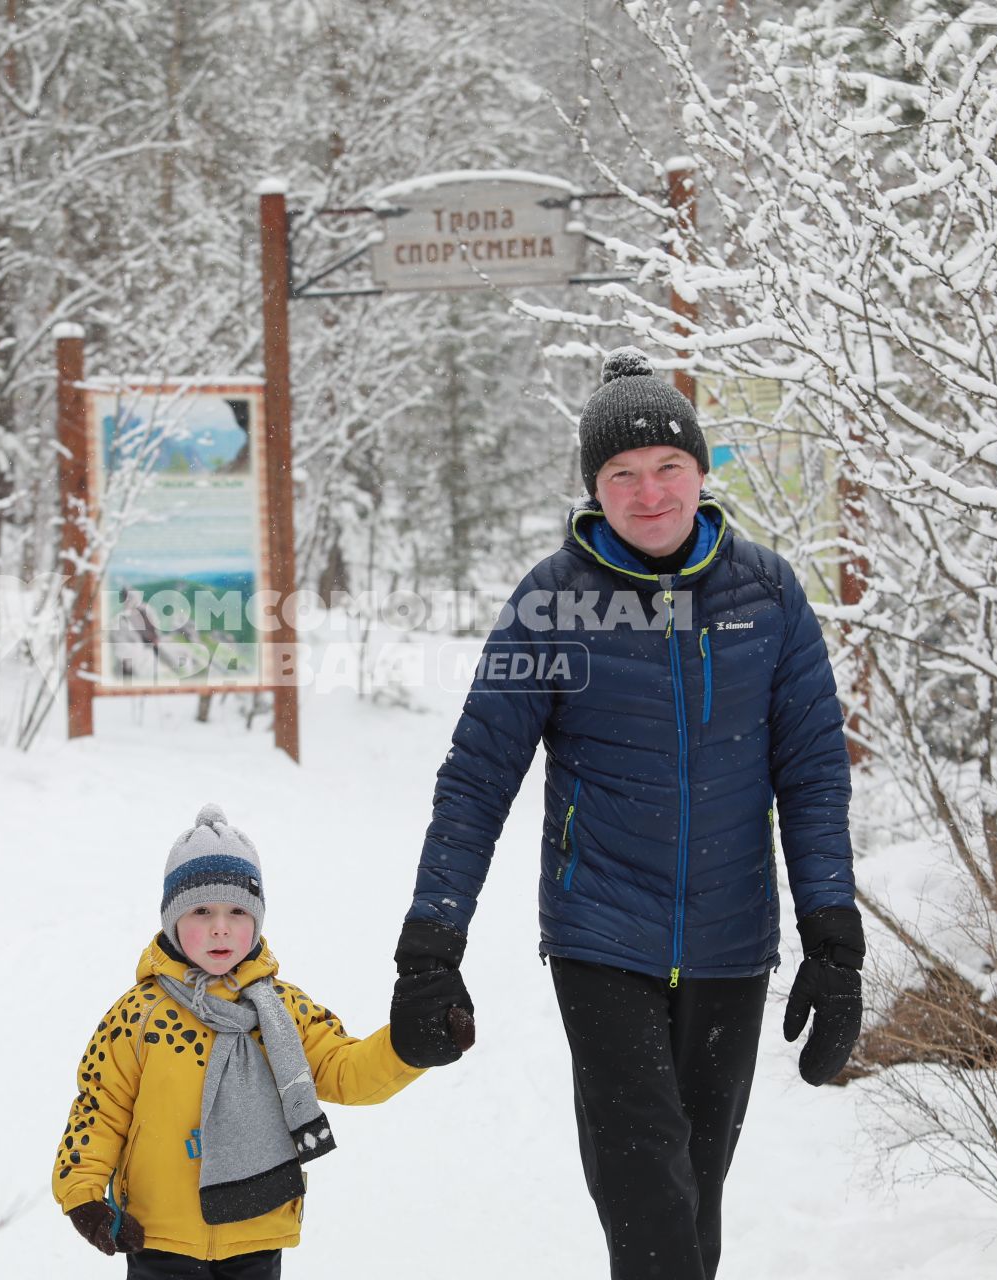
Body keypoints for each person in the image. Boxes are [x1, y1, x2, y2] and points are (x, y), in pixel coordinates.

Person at [388, 349, 865, 1279]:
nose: (649, 495)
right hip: (600, 935)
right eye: (622, 476)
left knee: (695, 1185)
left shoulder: (766, 596)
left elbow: (812, 776)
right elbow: (479, 775)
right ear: (594, 490)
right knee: (646, 1185)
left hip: (731, 938)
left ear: (701, 472)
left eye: (667, 469)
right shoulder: (551, 605)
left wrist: (834, 942)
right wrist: (429, 947)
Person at [56, 804, 428, 1278]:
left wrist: (410, 1046)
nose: (220, 927)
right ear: (172, 919)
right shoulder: (137, 1014)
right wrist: (82, 1194)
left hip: (257, 1223)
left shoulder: (282, 1010)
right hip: (157, 1237)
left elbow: (344, 1070)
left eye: (237, 911)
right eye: (201, 910)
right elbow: (99, 1106)